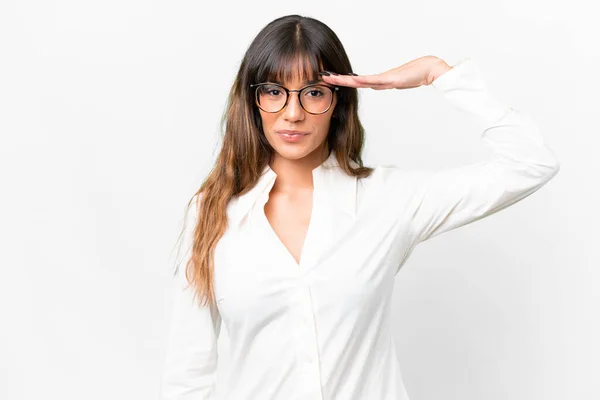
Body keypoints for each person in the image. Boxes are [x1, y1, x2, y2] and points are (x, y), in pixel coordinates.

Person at [159, 14, 560, 400]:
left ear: (338, 101)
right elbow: (187, 374)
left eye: (314, 92)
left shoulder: (386, 199)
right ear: (252, 100)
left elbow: (531, 165)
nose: (293, 113)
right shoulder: (212, 213)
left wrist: (438, 74)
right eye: (274, 91)